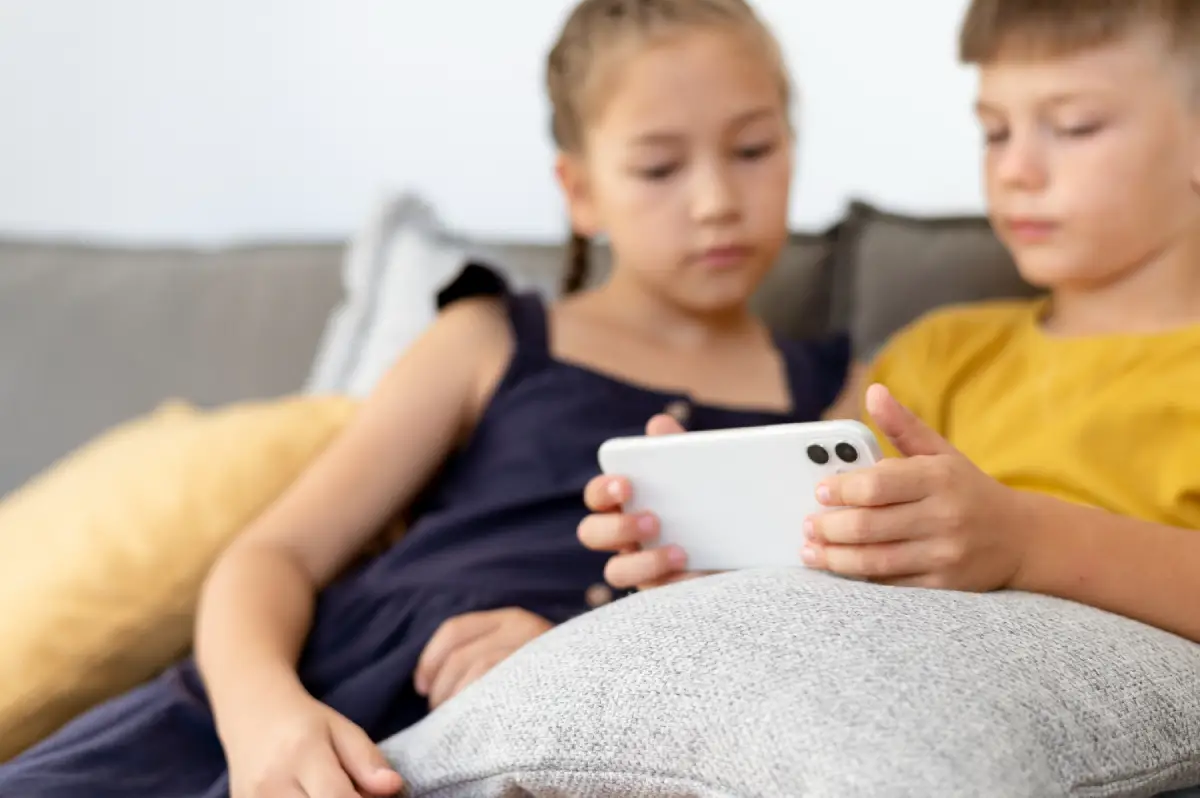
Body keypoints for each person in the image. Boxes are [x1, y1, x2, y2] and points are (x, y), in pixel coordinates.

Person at [0, 1, 853, 796]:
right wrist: (263, 717)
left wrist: (574, 665)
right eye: (659, 167)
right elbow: (274, 556)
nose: (715, 202)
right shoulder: (488, 338)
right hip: (267, 710)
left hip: (493, 742)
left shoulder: (830, 403)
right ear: (580, 191)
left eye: (752, 150)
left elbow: (795, 643)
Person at [581, 0, 1200, 645]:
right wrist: (721, 571)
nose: (1015, 170)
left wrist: (1027, 543)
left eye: (1075, 127)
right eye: (995, 133)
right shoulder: (939, 352)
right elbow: (828, 550)